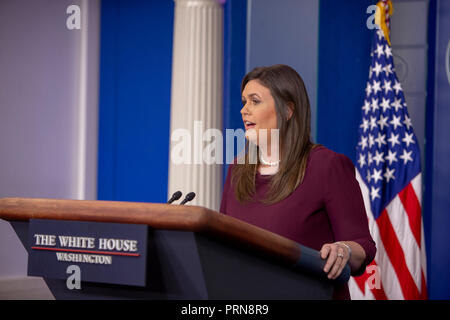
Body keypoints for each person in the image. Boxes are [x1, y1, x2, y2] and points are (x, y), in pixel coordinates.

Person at [220, 64, 376, 300]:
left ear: (288, 110)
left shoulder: (326, 166)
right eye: (244, 101)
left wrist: (342, 250)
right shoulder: (237, 170)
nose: (244, 110)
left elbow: (363, 245)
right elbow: (221, 243)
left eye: (255, 101)